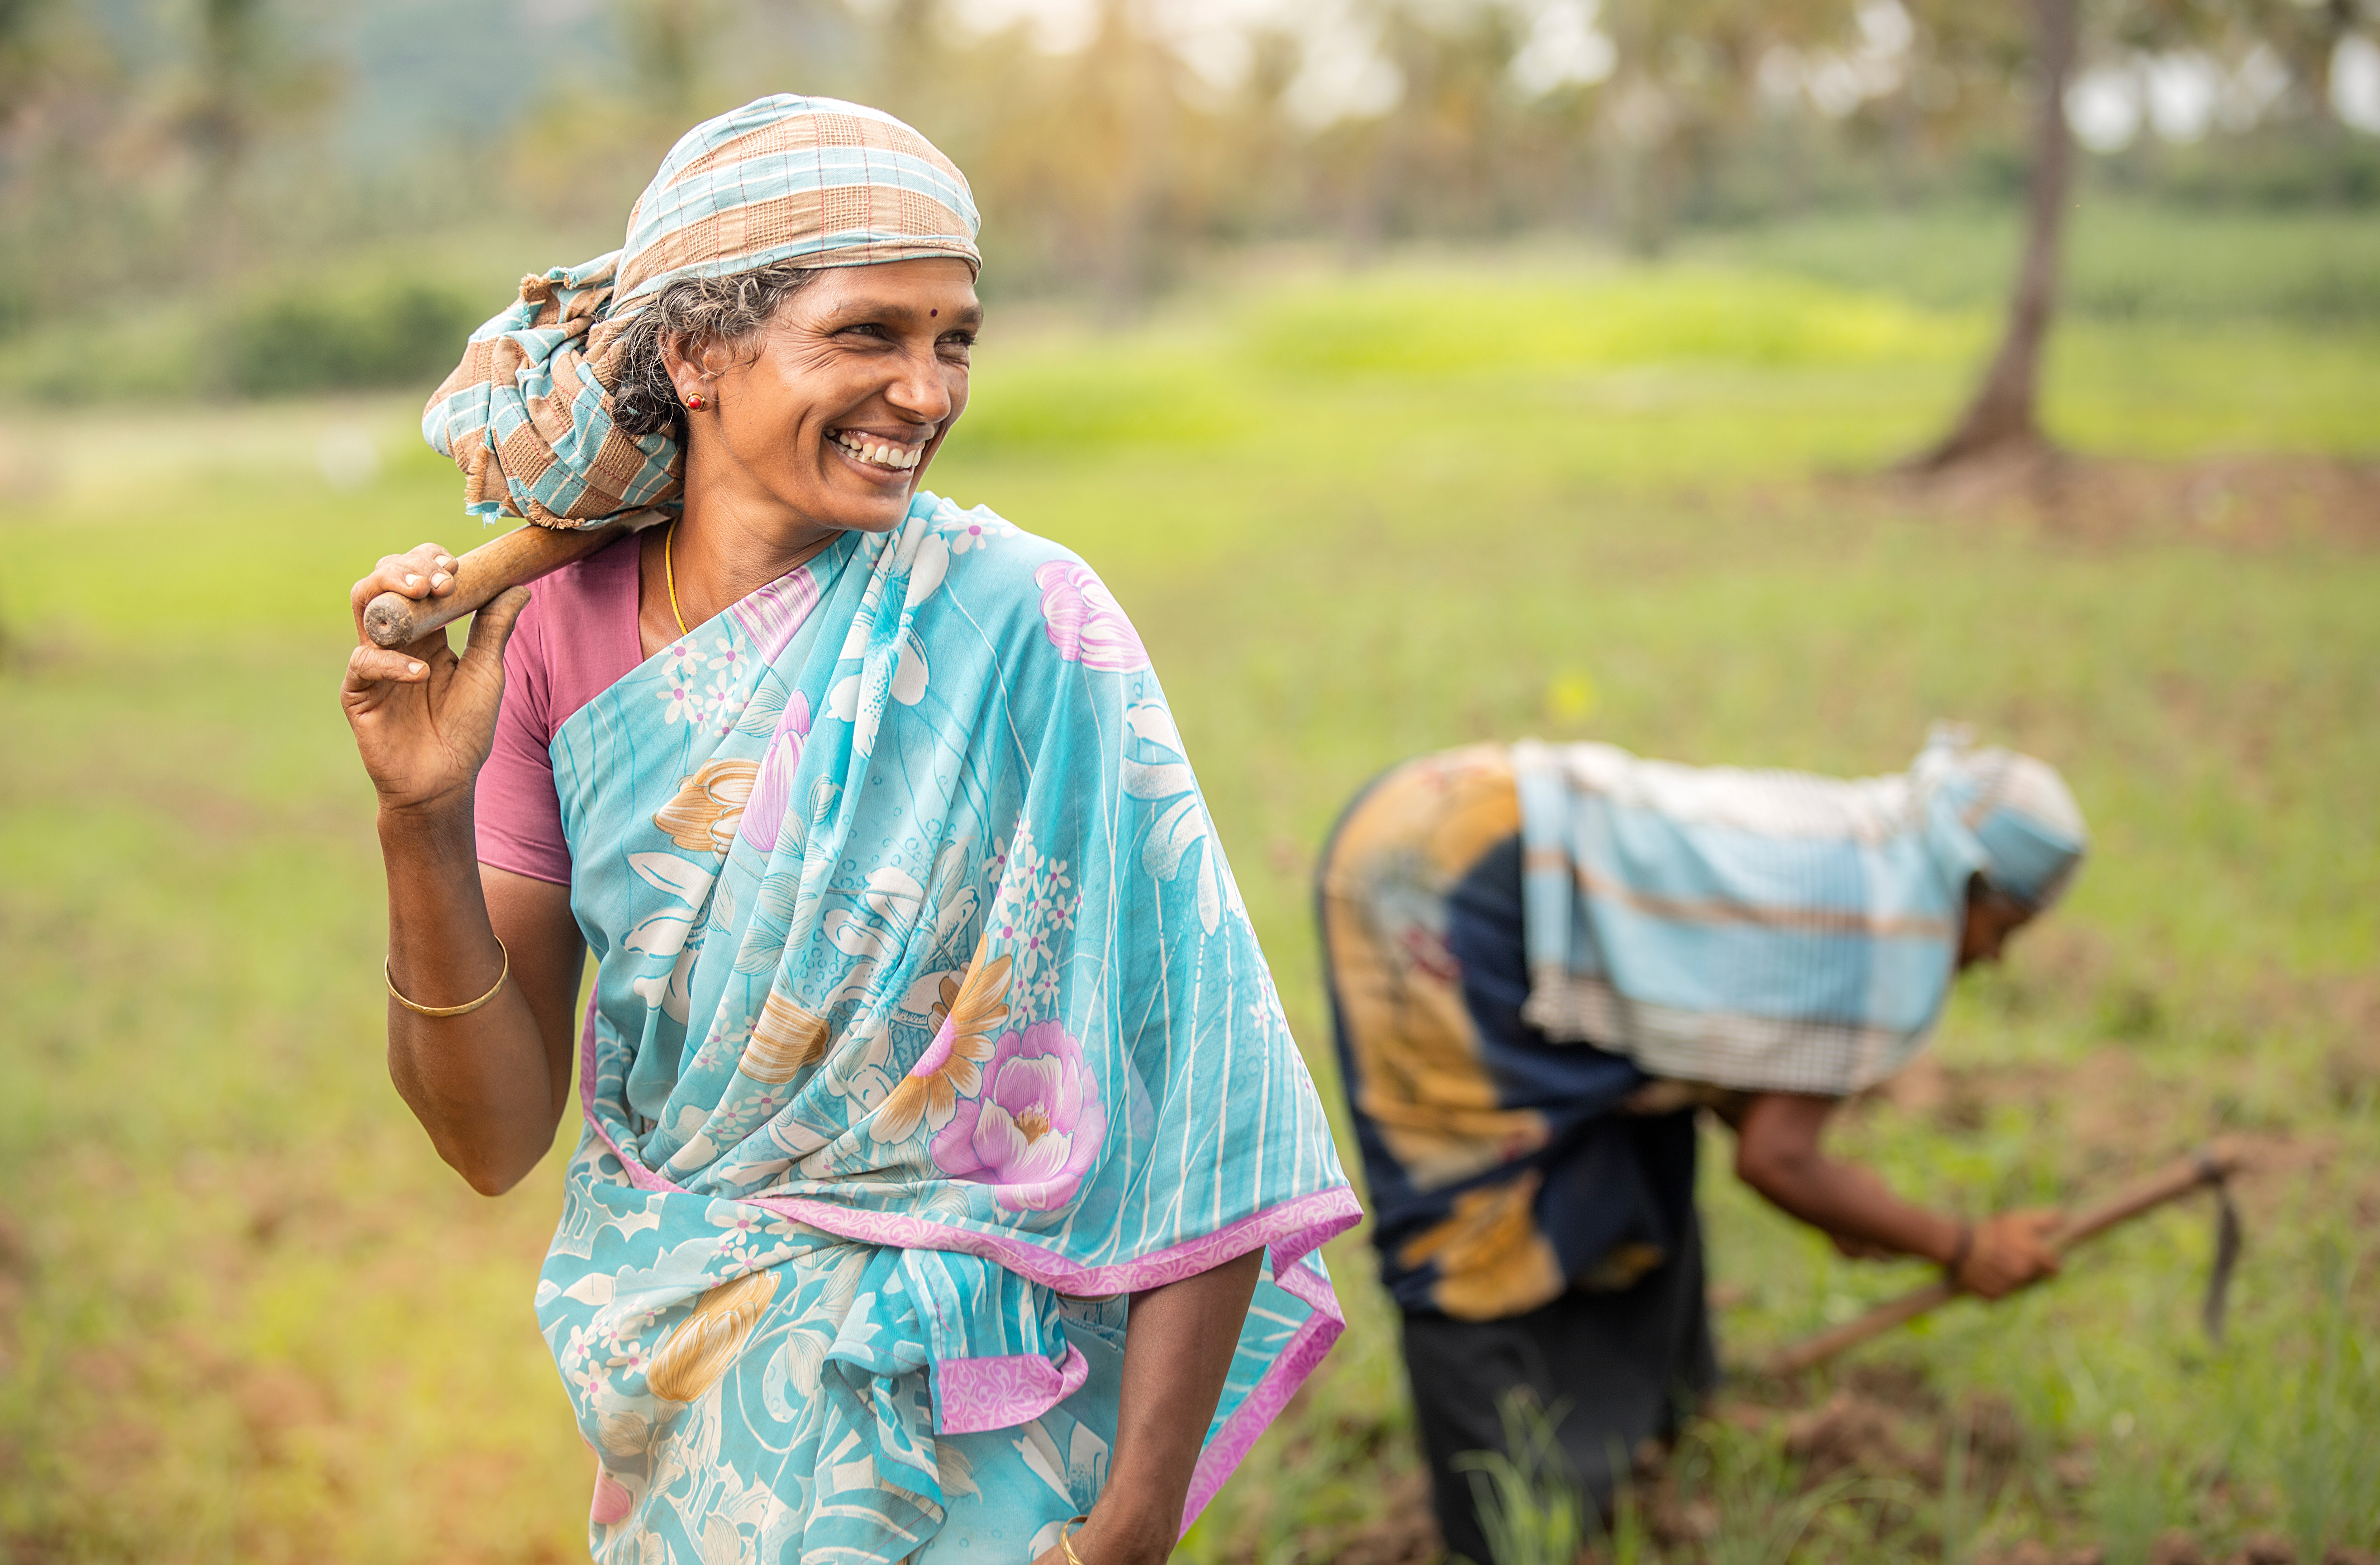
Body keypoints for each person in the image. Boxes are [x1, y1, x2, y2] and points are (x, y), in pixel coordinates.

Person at [340, 95, 1357, 1565]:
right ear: (694, 352)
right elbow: (492, 1137)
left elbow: (1194, 1071)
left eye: (955, 340)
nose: (927, 393)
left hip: (980, 1435)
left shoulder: (1026, 623)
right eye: (870, 334)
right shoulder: (551, 645)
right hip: (694, 1414)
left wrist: (1133, 1526)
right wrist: (418, 823)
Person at [1315, 729, 2087, 1563]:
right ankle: (1501, 1527)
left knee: (1638, 1122)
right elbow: (1778, 1160)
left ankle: (1643, 1428)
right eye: (2003, 926)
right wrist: (1961, 1247)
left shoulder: (1881, 834)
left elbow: (1732, 1073)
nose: (1995, 957)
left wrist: (1848, 1204)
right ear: (1971, 885)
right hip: (1441, 878)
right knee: (1456, 1210)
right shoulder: (1898, 932)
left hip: (1461, 803)